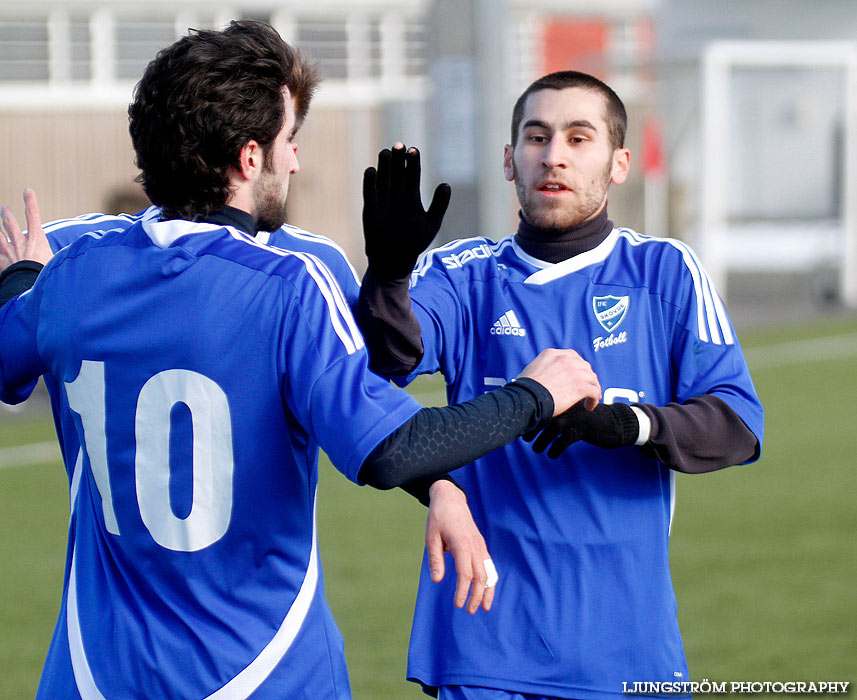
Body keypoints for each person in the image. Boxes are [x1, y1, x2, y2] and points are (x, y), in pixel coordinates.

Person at [0, 27, 604, 700]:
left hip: (93, 677)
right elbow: (389, 446)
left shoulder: (73, 275)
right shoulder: (289, 281)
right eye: (290, 140)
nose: (294, 161)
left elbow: (10, 348)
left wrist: (19, 280)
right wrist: (532, 394)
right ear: (249, 155)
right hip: (265, 672)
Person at [356, 71, 765, 700]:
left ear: (619, 161)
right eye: (536, 136)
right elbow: (385, 362)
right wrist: (388, 275)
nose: (554, 156)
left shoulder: (665, 272)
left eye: (580, 137)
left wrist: (628, 425)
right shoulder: (463, 274)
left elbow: (738, 425)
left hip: (629, 650)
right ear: (509, 159)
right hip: (484, 640)